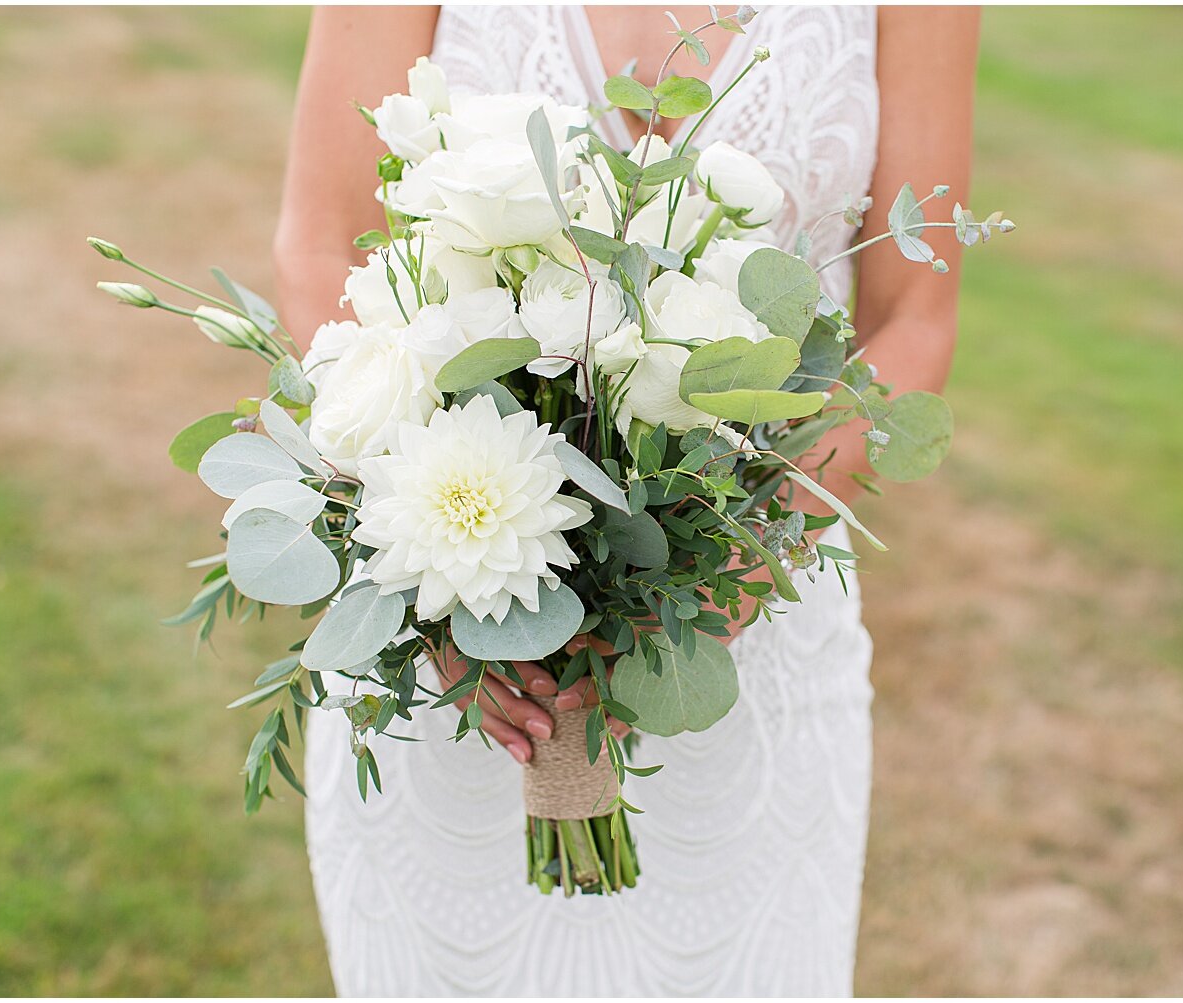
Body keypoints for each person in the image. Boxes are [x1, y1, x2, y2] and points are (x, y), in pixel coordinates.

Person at [274, 5, 978, 995]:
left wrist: (746, 557)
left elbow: (913, 317)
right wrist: (434, 566)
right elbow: (318, 248)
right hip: (457, 640)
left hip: (747, 645)